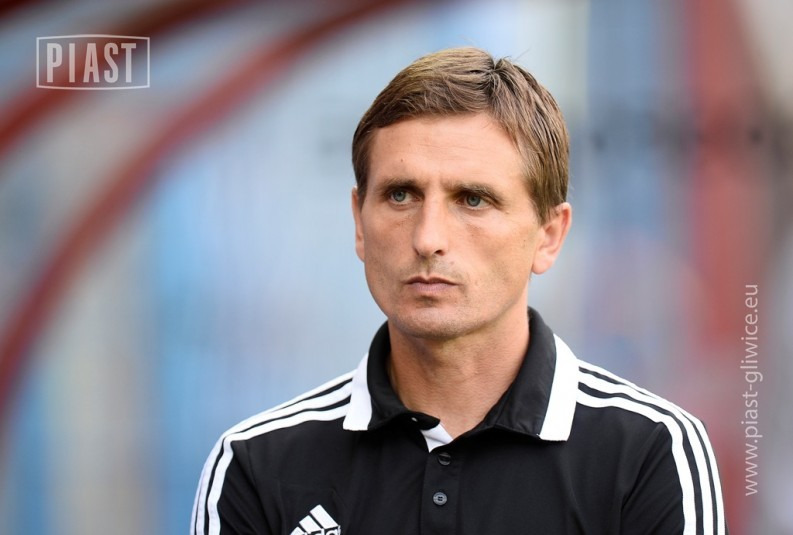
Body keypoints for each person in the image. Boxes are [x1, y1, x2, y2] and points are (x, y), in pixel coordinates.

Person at [192, 47, 727, 534]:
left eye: (473, 199)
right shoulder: (256, 464)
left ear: (549, 235)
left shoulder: (650, 451)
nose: (428, 238)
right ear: (359, 221)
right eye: (400, 195)